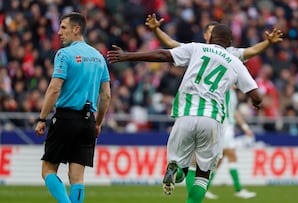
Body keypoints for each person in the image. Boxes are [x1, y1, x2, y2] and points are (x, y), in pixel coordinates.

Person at [107, 23, 262, 203]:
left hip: (185, 115)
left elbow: (163, 54)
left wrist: (128, 56)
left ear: (211, 38)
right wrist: (256, 103)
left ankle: (175, 169)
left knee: (181, 168)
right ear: (229, 43)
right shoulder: (235, 62)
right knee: (203, 174)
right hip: (212, 119)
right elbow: (255, 94)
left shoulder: (196, 48)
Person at [145, 13, 283, 199]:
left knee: (190, 163)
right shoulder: (225, 55)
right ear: (206, 35)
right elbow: (171, 44)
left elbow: (168, 49)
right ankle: (206, 192)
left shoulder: (199, 49)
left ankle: (179, 175)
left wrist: (153, 32)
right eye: (209, 30)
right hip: (214, 118)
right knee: (203, 169)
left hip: (189, 112)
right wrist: (156, 30)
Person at [34, 12, 111, 203]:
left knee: (48, 171)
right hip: (88, 122)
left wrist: (42, 118)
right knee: (77, 178)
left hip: (66, 119)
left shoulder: (64, 54)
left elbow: (54, 88)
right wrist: (98, 123)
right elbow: (106, 95)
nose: (59, 32)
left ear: (76, 29)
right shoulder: (99, 57)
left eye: (63, 28)